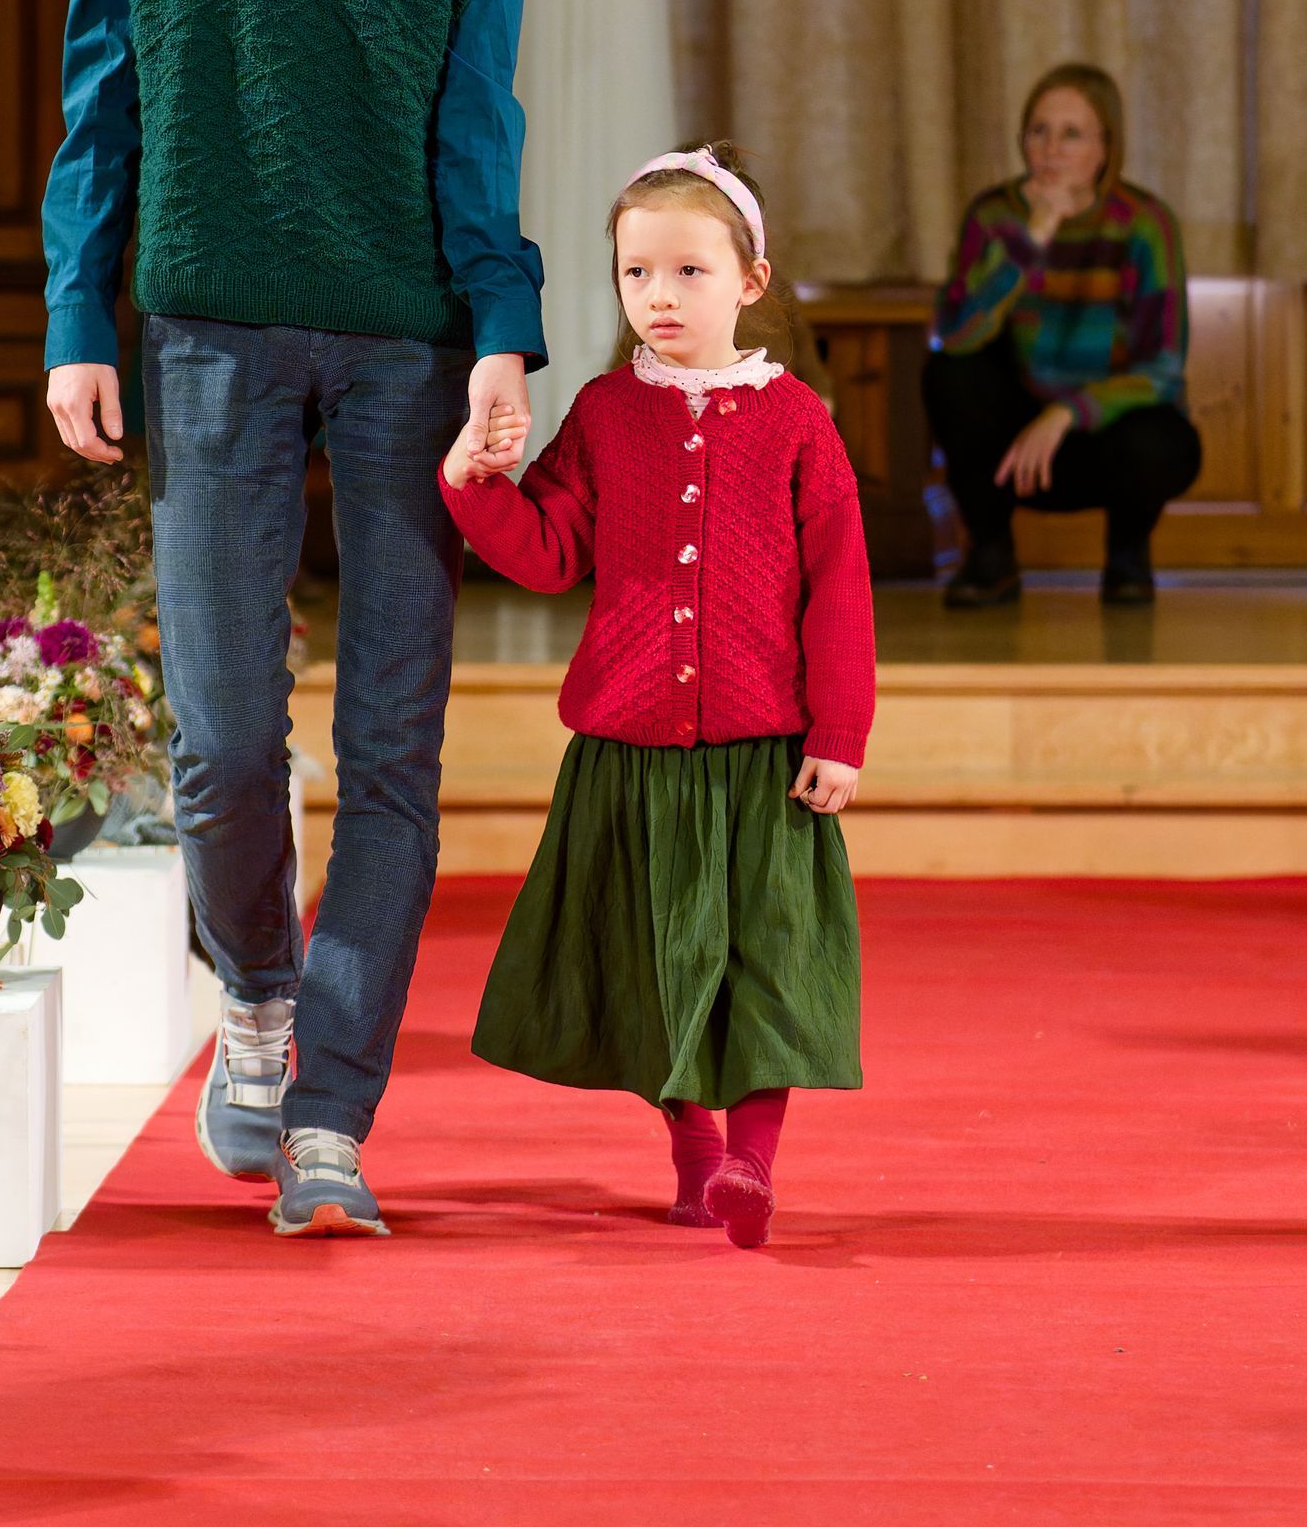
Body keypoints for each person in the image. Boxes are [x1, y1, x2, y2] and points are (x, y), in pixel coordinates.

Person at [41, 0, 559, 1239]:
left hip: (408, 344)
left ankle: (332, 1110)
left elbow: (478, 115)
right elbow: (98, 95)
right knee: (223, 746)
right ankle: (255, 999)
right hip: (200, 330)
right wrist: (73, 314)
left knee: (394, 749)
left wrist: (506, 335)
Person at [440, 145, 873, 1251]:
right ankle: (692, 1150)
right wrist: (473, 487)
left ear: (750, 283)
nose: (659, 296)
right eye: (637, 274)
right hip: (630, 751)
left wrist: (841, 732)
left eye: (687, 272)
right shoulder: (601, 413)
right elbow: (548, 555)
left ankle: (752, 1164)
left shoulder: (797, 424)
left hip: (763, 752)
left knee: (767, 960)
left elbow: (840, 594)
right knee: (656, 960)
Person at [925, 63, 1201, 609]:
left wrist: (1068, 412)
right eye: (1038, 131)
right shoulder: (994, 214)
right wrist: (1031, 242)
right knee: (949, 376)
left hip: (1103, 431)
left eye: (1072, 134)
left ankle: (1127, 554)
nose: (1051, 150)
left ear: (1105, 148)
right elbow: (955, 336)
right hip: (1012, 435)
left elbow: (1163, 366)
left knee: (1165, 441)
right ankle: (992, 554)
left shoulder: (1144, 222)